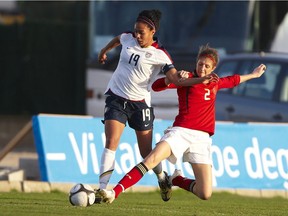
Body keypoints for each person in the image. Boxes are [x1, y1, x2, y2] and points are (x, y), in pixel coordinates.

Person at [97, 44, 266, 203]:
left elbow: (234, 79)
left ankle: (177, 179)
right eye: (200, 64)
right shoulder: (187, 79)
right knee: (151, 159)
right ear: (196, 63)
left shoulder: (215, 82)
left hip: (202, 139)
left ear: (213, 69)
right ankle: (114, 192)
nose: (203, 68)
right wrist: (173, 79)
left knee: (205, 193)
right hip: (181, 132)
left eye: (207, 66)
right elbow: (156, 86)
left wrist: (254, 75)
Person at [95, 9, 196, 203]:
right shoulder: (128, 38)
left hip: (140, 104)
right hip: (116, 97)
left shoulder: (160, 55)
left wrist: (189, 77)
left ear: (152, 30)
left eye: (141, 32)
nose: (137, 35)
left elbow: (173, 77)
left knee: (146, 153)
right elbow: (118, 39)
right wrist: (103, 51)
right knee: (111, 142)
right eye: (136, 31)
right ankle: (102, 189)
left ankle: (162, 178)